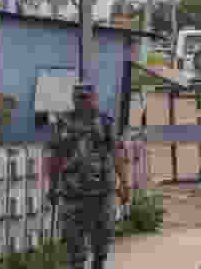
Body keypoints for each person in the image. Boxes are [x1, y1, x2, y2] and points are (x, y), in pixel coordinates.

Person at [48, 84, 131, 269]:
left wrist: (125, 184)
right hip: (72, 194)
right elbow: (56, 157)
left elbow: (117, 155)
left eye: (87, 97)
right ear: (73, 99)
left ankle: (98, 263)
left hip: (102, 194)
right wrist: (52, 187)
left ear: (95, 99)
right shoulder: (62, 123)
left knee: (102, 244)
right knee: (74, 247)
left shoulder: (105, 123)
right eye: (79, 97)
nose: (83, 101)